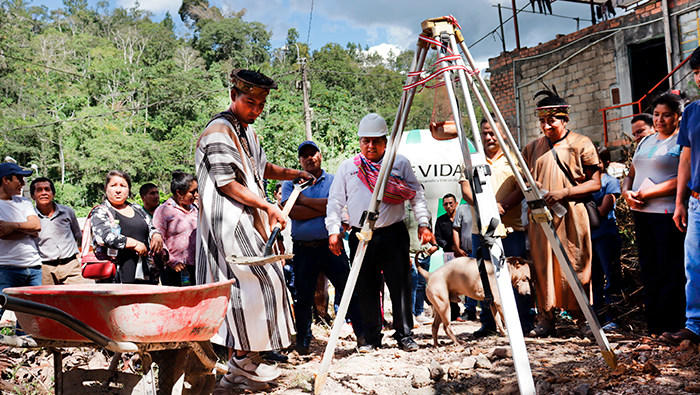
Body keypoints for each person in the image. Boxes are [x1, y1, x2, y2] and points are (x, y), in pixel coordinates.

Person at [195, 69, 314, 391]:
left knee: (259, 285)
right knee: (258, 283)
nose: (257, 109)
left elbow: (260, 169)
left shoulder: (246, 132)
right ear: (233, 95)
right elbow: (228, 183)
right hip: (228, 225)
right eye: (251, 102)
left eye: (262, 103)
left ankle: (242, 366)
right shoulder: (219, 130)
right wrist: (268, 206)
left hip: (247, 221)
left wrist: (293, 173)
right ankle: (241, 363)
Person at [326, 113, 434, 353]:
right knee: (365, 287)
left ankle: (404, 334)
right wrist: (334, 230)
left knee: (401, 285)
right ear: (360, 141)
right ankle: (372, 338)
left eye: (376, 141)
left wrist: (424, 223)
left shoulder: (399, 163)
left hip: (394, 234)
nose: (371, 146)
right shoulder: (348, 167)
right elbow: (334, 202)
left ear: (385, 141)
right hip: (361, 236)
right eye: (366, 140)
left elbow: (416, 195)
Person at [522, 89, 601, 337]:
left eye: (551, 120)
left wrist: (564, 192)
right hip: (540, 218)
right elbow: (524, 182)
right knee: (543, 265)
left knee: (576, 265)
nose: (546, 126)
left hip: (573, 214)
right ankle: (545, 319)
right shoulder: (532, 148)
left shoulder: (581, 143)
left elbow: (595, 183)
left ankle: (583, 319)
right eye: (542, 121)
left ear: (564, 119)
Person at [281, 140, 363, 355]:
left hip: (331, 245)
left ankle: (363, 336)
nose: (309, 158)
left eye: (313, 154)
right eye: (304, 155)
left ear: (320, 155)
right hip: (303, 249)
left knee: (347, 290)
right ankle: (303, 342)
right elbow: (292, 212)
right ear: (299, 160)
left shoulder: (334, 180)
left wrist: (304, 200)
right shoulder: (291, 182)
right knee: (303, 296)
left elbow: (337, 205)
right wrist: (326, 207)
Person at [621, 91, 686, 336]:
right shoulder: (645, 141)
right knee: (648, 266)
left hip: (668, 213)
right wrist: (627, 192)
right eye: (657, 115)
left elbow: (683, 178)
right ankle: (654, 325)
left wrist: (648, 194)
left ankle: (673, 324)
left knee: (669, 267)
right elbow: (630, 175)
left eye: (666, 115)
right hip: (641, 213)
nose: (660, 120)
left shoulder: (683, 141)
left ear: (678, 117)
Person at [461, 116, 532, 337]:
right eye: (484, 133)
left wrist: (503, 206)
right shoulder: (471, 160)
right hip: (481, 230)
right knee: (484, 277)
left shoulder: (515, 158)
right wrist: (488, 207)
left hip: (512, 229)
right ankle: (489, 324)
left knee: (518, 276)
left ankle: (522, 323)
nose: (489, 137)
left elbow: (523, 188)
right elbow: (465, 190)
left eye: (493, 133)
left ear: (503, 133)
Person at [664, 47, 700, 345]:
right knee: (694, 264)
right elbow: (685, 159)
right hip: (697, 200)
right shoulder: (692, 112)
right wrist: (680, 202)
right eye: (697, 72)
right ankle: (695, 325)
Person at [91, 170, 164, 284]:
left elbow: (150, 226)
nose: (118, 190)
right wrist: (134, 244)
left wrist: (156, 234)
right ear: (106, 188)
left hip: (144, 272)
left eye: (123, 186)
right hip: (116, 275)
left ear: (129, 189)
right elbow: (104, 237)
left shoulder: (136, 208)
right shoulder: (101, 211)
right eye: (113, 186)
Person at [0, 163, 41, 308]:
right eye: (19, 179)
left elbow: (37, 226)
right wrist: (27, 229)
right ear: (6, 180)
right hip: (5, 269)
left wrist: (12, 226)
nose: (23, 183)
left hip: (34, 268)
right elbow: (4, 235)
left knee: (33, 316)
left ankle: (23, 333)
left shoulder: (24, 201)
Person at [591, 146, 623, 332]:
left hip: (606, 235)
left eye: (598, 162)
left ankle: (613, 317)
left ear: (606, 163)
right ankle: (597, 317)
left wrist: (585, 209)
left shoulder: (610, 182)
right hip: (591, 237)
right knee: (594, 278)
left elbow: (603, 210)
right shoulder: (586, 182)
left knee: (611, 277)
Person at [30, 177, 83, 285]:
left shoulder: (67, 212)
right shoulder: (30, 218)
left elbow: (78, 235)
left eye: (47, 189)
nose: (44, 193)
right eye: (39, 190)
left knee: (81, 296)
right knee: (47, 301)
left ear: (53, 194)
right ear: (32, 196)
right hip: (45, 269)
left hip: (71, 265)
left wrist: (79, 255)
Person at [152, 170, 198, 287]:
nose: (196, 195)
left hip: (197, 267)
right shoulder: (164, 210)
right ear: (179, 193)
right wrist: (172, 262)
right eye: (192, 192)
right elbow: (158, 241)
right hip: (173, 270)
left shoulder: (197, 209)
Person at [405, 201, 437, 326]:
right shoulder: (404, 213)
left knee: (421, 285)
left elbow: (430, 231)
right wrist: (405, 253)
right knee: (411, 286)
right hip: (412, 254)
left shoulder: (427, 213)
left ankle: (419, 314)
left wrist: (434, 245)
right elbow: (401, 236)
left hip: (425, 254)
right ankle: (410, 315)